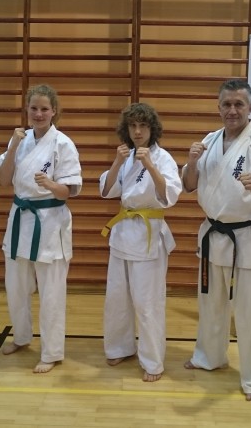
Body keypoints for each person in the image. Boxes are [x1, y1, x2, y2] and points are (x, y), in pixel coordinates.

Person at [182, 78, 251, 402]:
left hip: (247, 236)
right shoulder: (210, 140)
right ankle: (209, 357)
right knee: (210, 303)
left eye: (238, 104)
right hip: (214, 233)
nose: (232, 110)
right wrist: (192, 161)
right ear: (219, 107)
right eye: (226, 104)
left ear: (250, 107)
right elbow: (189, 185)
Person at [0, 84, 82, 373]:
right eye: (34, 108)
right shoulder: (20, 140)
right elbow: (4, 180)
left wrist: (51, 184)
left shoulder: (63, 144)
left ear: (54, 111)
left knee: (51, 291)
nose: (39, 113)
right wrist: (13, 146)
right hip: (20, 218)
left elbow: (67, 192)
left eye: (44, 109)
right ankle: (21, 337)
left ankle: (52, 351)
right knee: (16, 287)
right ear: (27, 110)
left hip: (49, 222)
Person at [99, 102, 182, 382]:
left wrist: (150, 165)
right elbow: (107, 190)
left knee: (148, 303)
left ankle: (152, 361)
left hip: (149, 235)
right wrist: (116, 162)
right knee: (117, 298)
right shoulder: (126, 156)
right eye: (133, 126)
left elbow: (169, 195)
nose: (137, 131)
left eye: (143, 126)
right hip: (123, 232)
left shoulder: (162, 158)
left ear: (152, 129)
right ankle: (119, 347)